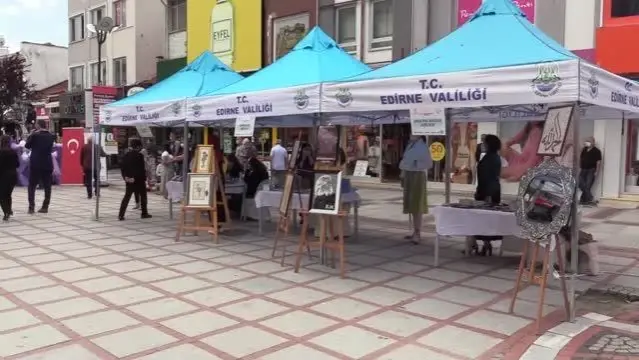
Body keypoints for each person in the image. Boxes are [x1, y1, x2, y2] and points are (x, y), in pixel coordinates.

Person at [473, 134, 504, 256]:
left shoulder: (491, 158)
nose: (482, 145)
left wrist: (487, 195)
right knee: (484, 219)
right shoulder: (490, 157)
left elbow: (489, 177)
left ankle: (486, 245)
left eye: (484, 143)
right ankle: (485, 244)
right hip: (487, 190)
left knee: (485, 219)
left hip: (488, 191)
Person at [400, 135, 431, 244]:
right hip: (410, 174)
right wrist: (403, 174)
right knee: (412, 205)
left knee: (417, 205)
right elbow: (405, 161)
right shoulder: (411, 145)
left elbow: (426, 162)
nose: (411, 134)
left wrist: (413, 163)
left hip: (417, 175)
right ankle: (415, 231)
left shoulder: (421, 146)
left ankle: (418, 232)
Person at [25, 119, 56, 214]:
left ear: (38, 126)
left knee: (32, 186)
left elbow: (27, 145)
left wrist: (31, 135)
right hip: (47, 163)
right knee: (47, 186)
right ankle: (45, 206)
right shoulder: (51, 136)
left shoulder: (34, 135)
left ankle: (31, 207)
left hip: (35, 163)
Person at [118, 138, 152, 220]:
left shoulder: (125, 156)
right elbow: (141, 169)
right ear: (138, 146)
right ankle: (144, 213)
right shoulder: (139, 156)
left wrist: (125, 177)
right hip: (139, 180)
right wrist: (145, 178)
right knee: (143, 196)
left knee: (126, 197)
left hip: (129, 179)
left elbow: (122, 168)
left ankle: (121, 215)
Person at [0, 135, 19, 220]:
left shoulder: (1, 152)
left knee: (2, 196)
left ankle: (6, 212)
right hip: (13, 175)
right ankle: (9, 210)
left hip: (3, 176)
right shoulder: (13, 152)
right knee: (8, 194)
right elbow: (17, 164)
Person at [579, 136, 602, 205]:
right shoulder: (584, 149)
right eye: (586, 141)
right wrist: (579, 167)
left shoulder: (597, 151)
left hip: (591, 170)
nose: (587, 142)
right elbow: (580, 158)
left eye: (589, 141)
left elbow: (598, 162)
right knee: (581, 184)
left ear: (593, 142)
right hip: (583, 169)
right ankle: (590, 198)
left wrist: (597, 171)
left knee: (588, 185)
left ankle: (583, 200)